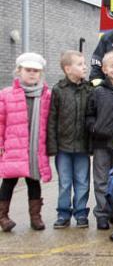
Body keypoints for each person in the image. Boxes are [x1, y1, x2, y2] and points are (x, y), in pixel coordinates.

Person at [0, 53, 51, 232]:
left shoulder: (46, 96)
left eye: (36, 71)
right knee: (8, 182)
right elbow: (1, 121)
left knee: (34, 182)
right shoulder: (6, 94)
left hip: (35, 148)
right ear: (19, 71)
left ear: (41, 73)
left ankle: (35, 217)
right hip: (13, 148)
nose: (32, 74)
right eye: (28, 70)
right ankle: (3, 216)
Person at [47, 50, 92, 229]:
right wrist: (52, 146)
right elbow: (52, 119)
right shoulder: (58, 90)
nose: (85, 67)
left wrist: (91, 145)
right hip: (63, 147)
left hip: (82, 146)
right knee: (65, 182)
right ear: (68, 69)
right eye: (80, 64)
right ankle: (63, 213)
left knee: (82, 181)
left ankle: (81, 213)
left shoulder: (89, 89)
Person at [85, 50, 113, 230]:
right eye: (112, 66)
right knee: (101, 180)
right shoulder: (98, 91)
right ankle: (102, 214)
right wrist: (94, 128)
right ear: (104, 69)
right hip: (101, 144)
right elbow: (89, 115)